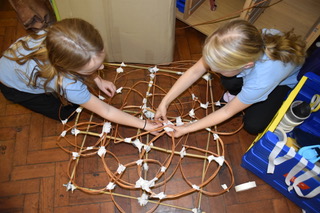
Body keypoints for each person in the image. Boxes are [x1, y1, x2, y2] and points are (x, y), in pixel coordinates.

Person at [0, 18, 161, 132]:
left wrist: (97, 79)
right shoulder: (70, 86)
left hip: (13, 63)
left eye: (101, 60)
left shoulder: (59, 35)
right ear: (70, 69)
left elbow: (82, 61)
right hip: (15, 88)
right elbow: (107, 111)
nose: (103, 66)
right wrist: (144, 125)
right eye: (94, 69)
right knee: (66, 112)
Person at [155, 19, 306, 137]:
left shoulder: (261, 80)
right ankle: (239, 93)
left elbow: (227, 111)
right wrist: (165, 102)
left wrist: (187, 128)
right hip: (252, 72)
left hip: (280, 83)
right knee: (228, 79)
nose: (212, 70)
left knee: (254, 125)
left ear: (246, 65)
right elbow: (195, 71)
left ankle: (246, 97)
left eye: (219, 68)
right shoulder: (233, 45)